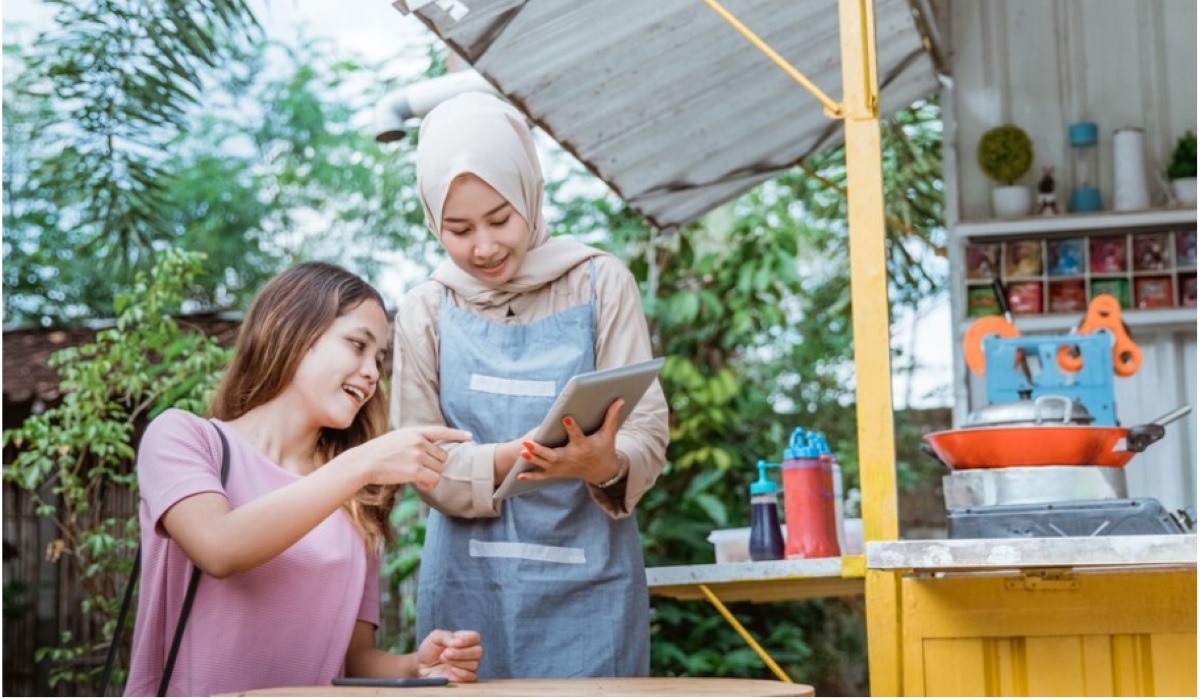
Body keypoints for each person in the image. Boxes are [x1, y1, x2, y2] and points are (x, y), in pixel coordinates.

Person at [392, 92, 669, 678]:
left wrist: (603, 464)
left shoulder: (599, 284)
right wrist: (515, 456)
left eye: (500, 219)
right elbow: (417, 459)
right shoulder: (424, 312)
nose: (485, 247)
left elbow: (645, 429)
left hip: (592, 593)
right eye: (459, 228)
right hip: (466, 598)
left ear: (530, 194)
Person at [126, 262, 483, 696]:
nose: (372, 372)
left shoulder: (357, 497)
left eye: (379, 359)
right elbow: (218, 547)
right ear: (292, 332)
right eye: (357, 345)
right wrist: (361, 465)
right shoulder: (184, 438)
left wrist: (414, 666)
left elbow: (351, 658)